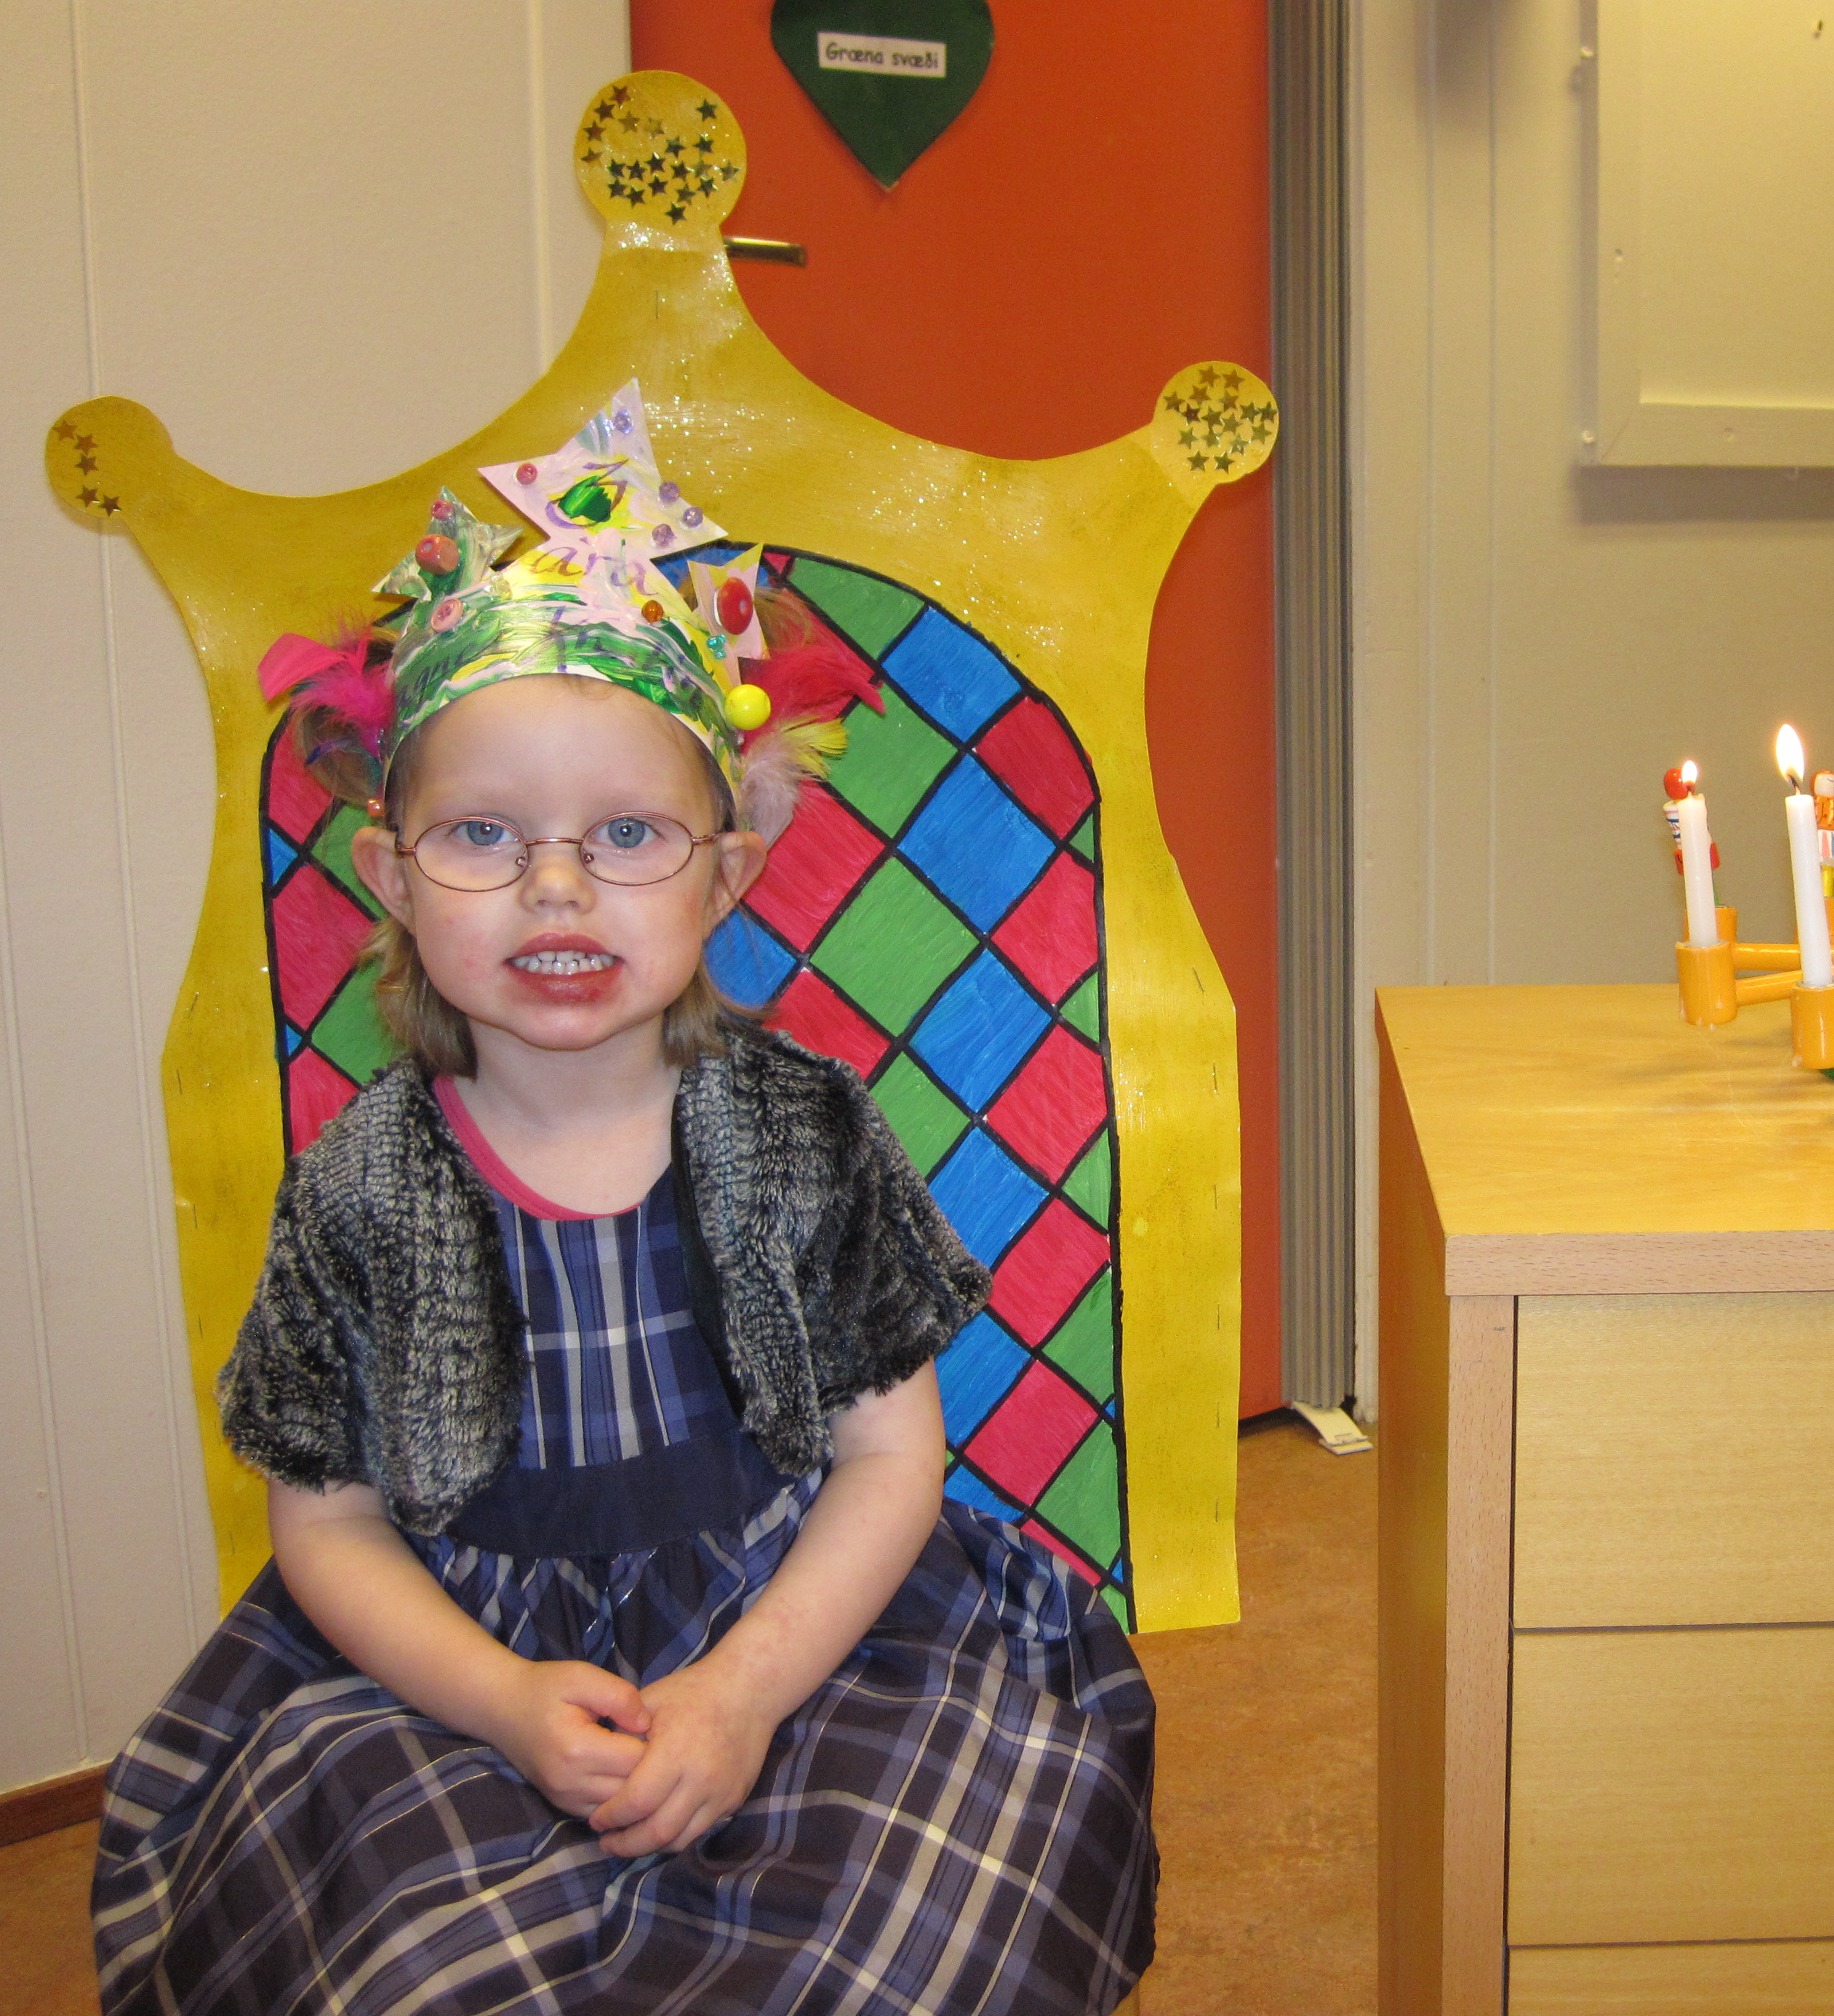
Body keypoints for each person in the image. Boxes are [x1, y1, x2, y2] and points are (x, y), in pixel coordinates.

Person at [93, 389, 1156, 2015]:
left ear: (726, 876)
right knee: (395, 1950)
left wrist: (741, 1694)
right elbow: (329, 1524)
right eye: (484, 834)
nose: (556, 885)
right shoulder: (362, 1185)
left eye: (629, 835)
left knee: (934, 1912)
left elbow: (889, 1459)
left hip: (799, 1638)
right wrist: (502, 1704)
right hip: (460, 1674)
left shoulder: (798, 1130)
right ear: (389, 877)